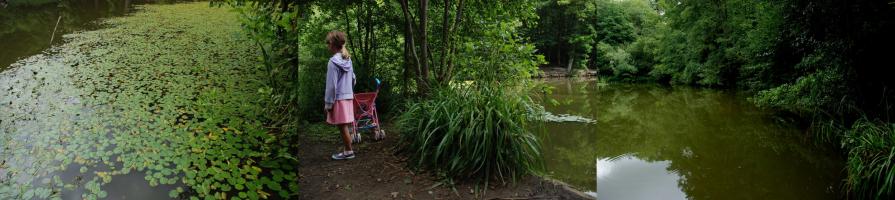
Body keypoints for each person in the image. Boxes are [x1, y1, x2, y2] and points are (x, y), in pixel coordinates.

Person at [323, 31, 356, 160]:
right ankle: (348, 149)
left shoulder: (333, 62)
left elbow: (331, 86)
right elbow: (353, 79)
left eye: (328, 43)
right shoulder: (347, 59)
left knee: (342, 126)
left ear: (333, 44)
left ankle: (348, 151)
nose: (327, 46)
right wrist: (349, 90)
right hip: (348, 97)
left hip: (338, 98)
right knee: (345, 125)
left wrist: (328, 104)